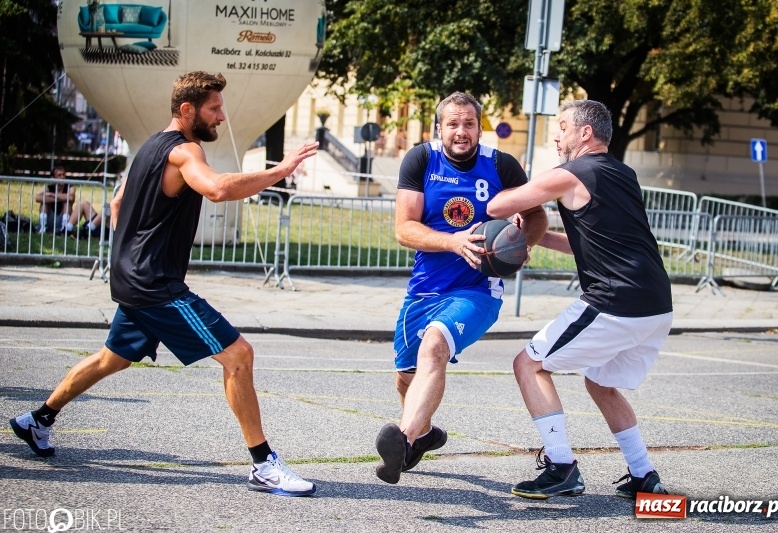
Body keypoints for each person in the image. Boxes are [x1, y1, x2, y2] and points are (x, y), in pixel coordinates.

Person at [10, 71, 319, 497]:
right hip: (156, 284)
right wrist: (280, 170)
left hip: (132, 277)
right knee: (239, 356)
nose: (222, 116)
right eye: (214, 108)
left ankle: (37, 420)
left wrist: (128, 253)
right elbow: (216, 189)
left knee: (111, 359)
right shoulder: (182, 152)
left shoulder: (148, 148)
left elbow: (118, 203)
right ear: (187, 109)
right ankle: (264, 465)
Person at [486, 99, 673, 500]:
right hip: (657, 305)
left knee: (528, 364)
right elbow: (584, 243)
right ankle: (644, 476)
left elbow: (496, 205)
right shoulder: (623, 174)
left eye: (563, 126)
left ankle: (561, 467)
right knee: (601, 382)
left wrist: (523, 208)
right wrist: (536, 236)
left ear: (585, 133)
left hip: (615, 300)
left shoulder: (573, 172)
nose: (556, 134)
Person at [374, 91, 548, 484]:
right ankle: (425, 434)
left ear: (479, 126)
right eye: (453, 123)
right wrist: (453, 241)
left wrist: (526, 244)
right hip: (425, 288)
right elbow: (404, 228)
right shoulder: (421, 159)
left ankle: (401, 441)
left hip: (478, 289)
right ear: (440, 127)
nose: (461, 131)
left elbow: (536, 214)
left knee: (434, 346)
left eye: (469, 123)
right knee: (406, 374)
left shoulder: (501, 165)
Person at [35, 166, 74, 233]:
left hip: (63, 217)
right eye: (59, 175)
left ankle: (64, 229)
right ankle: (43, 227)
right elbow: (37, 198)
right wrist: (62, 198)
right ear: (53, 178)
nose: (63, 177)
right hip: (50, 217)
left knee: (66, 202)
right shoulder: (48, 187)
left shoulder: (70, 187)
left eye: (64, 175)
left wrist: (52, 195)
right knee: (44, 202)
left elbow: (71, 197)